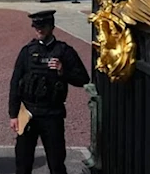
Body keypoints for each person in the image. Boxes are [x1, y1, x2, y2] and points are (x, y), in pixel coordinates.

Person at [8, 10, 90, 174]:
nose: (39, 30)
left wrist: (63, 71)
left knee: (56, 161)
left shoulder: (64, 51)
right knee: (22, 162)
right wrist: (13, 115)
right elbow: (15, 83)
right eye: (36, 27)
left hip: (52, 113)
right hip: (27, 112)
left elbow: (83, 79)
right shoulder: (27, 51)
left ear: (51, 27)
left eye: (43, 27)